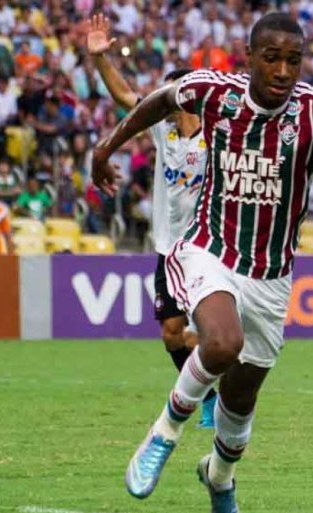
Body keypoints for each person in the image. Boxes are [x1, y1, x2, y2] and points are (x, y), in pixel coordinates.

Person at [91, 13, 313, 513]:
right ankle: (162, 434)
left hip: (271, 277)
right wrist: (106, 148)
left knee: (241, 405)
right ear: (248, 56)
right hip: (209, 251)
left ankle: (220, 481)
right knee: (221, 343)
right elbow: (159, 99)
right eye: (272, 57)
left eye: (294, 60)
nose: (284, 70)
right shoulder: (214, 93)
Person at [86, 13, 217, 429]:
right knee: (171, 336)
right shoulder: (163, 130)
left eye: (174, 92)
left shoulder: (215, 136)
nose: (167, 98)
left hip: (208, 248)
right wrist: (101, 58)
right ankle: (211, 389)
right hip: (168, 249)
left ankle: (221, 382)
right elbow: (126, 97)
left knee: (216, 336)